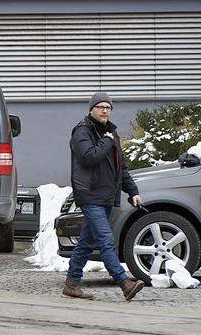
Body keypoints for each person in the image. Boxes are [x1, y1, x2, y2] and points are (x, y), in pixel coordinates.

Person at [63, 92, 144, 301]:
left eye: (108, 107)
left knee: (86, 243)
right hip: (89, 194)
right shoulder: (82, 131)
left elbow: (121, 167)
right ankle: (124, 282)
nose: (105, 110)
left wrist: (133, 191)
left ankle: (71, 284)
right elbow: (88, 157)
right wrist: (107, 142)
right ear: (91, 109)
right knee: (106, 239)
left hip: (107, 196)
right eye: (100, 107)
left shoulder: (111, 133)